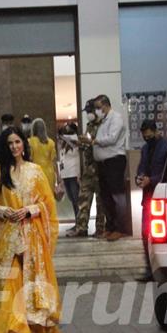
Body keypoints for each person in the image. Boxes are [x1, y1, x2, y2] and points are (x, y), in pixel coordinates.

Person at [0, 127, 61, 333]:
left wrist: (30, 210)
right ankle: (13, 331)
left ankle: (34, 329)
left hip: (32, 237)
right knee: (10, 284)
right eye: (10, 143)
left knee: (31, 282)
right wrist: (3, 210)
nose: (14, 147)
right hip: (7, 238)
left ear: (24, 144)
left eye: (17, 142)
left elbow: (47, 204)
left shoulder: (35, 171)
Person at [136, 120, 167, 281]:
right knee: (145, 233)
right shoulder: (145, 149)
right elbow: (141, 167)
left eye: (148, 134)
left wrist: (151, 180)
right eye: (144, 134)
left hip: (161, 195)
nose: (146, 137)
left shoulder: (166, 147)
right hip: (147, 197)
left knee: (162, 235)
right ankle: (149, 269)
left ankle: (163, 268)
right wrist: (140, 177)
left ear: (155, 131)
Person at [91, 94, 129, 242]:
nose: (97, 111)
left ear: (106, 105)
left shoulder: (116, 118)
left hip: (114, 162)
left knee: (117, 196)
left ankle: (121, 228)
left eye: (98, 108)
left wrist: (94, 141)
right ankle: (111, 227)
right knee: (106, 197)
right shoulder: (102, 121)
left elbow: (112, 138)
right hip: (103, 164)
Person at [67, 100, 106, 238]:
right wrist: (79, 143)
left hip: (101, 168)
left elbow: (104, 143)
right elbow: (87, 146)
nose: (89, 115)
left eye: (90, 111)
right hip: (89, 169)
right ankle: (81, 228)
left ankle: (100, 229)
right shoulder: (89, 126)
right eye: (87, 112)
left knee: (101, 201)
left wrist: (89, 142)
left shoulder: (104, 125)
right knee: (83, 199)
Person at [28, 118, 60, 193]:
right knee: (49, 198)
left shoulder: (30, 142)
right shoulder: (51, 142)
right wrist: (58, 176)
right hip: (49, 174)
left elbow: (30, 159)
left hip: (36, 173)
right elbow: (54, 161)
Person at [58, 122, 81, 220]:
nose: (66, 131)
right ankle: (77, 221)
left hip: (73, 173)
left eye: (68, 129)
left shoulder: (75, 140)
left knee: (76, 198)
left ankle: (80, 222)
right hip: (66, 174)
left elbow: (71, 142)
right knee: (72, 198)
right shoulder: (63, 143)